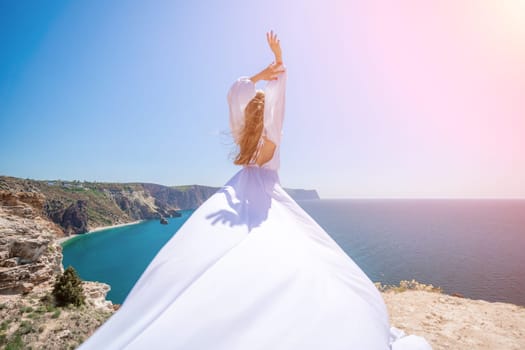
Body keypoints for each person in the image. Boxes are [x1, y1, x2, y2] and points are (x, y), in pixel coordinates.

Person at [78, 31, 432, 349]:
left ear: (247, 113)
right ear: (269, 113)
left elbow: (236, 91)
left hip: (240, 191)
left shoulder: (240, 134)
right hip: (269, 200)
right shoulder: (272, 137)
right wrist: (279, 65)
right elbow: (277, 103)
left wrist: (261, 74)